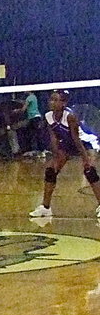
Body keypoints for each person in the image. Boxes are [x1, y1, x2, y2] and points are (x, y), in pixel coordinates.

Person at [29, 89, 100, 219]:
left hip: (84, 144)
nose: (53, 102)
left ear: (64, 103)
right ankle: (45, 208)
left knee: (90, 172)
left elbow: (76, 139)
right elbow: (54, 138)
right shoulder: (48, 116)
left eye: (56, 100)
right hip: (66, 144)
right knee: (50, 171)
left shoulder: (70, 116)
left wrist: (86, 160)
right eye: (51, 99)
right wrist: (56, 155)